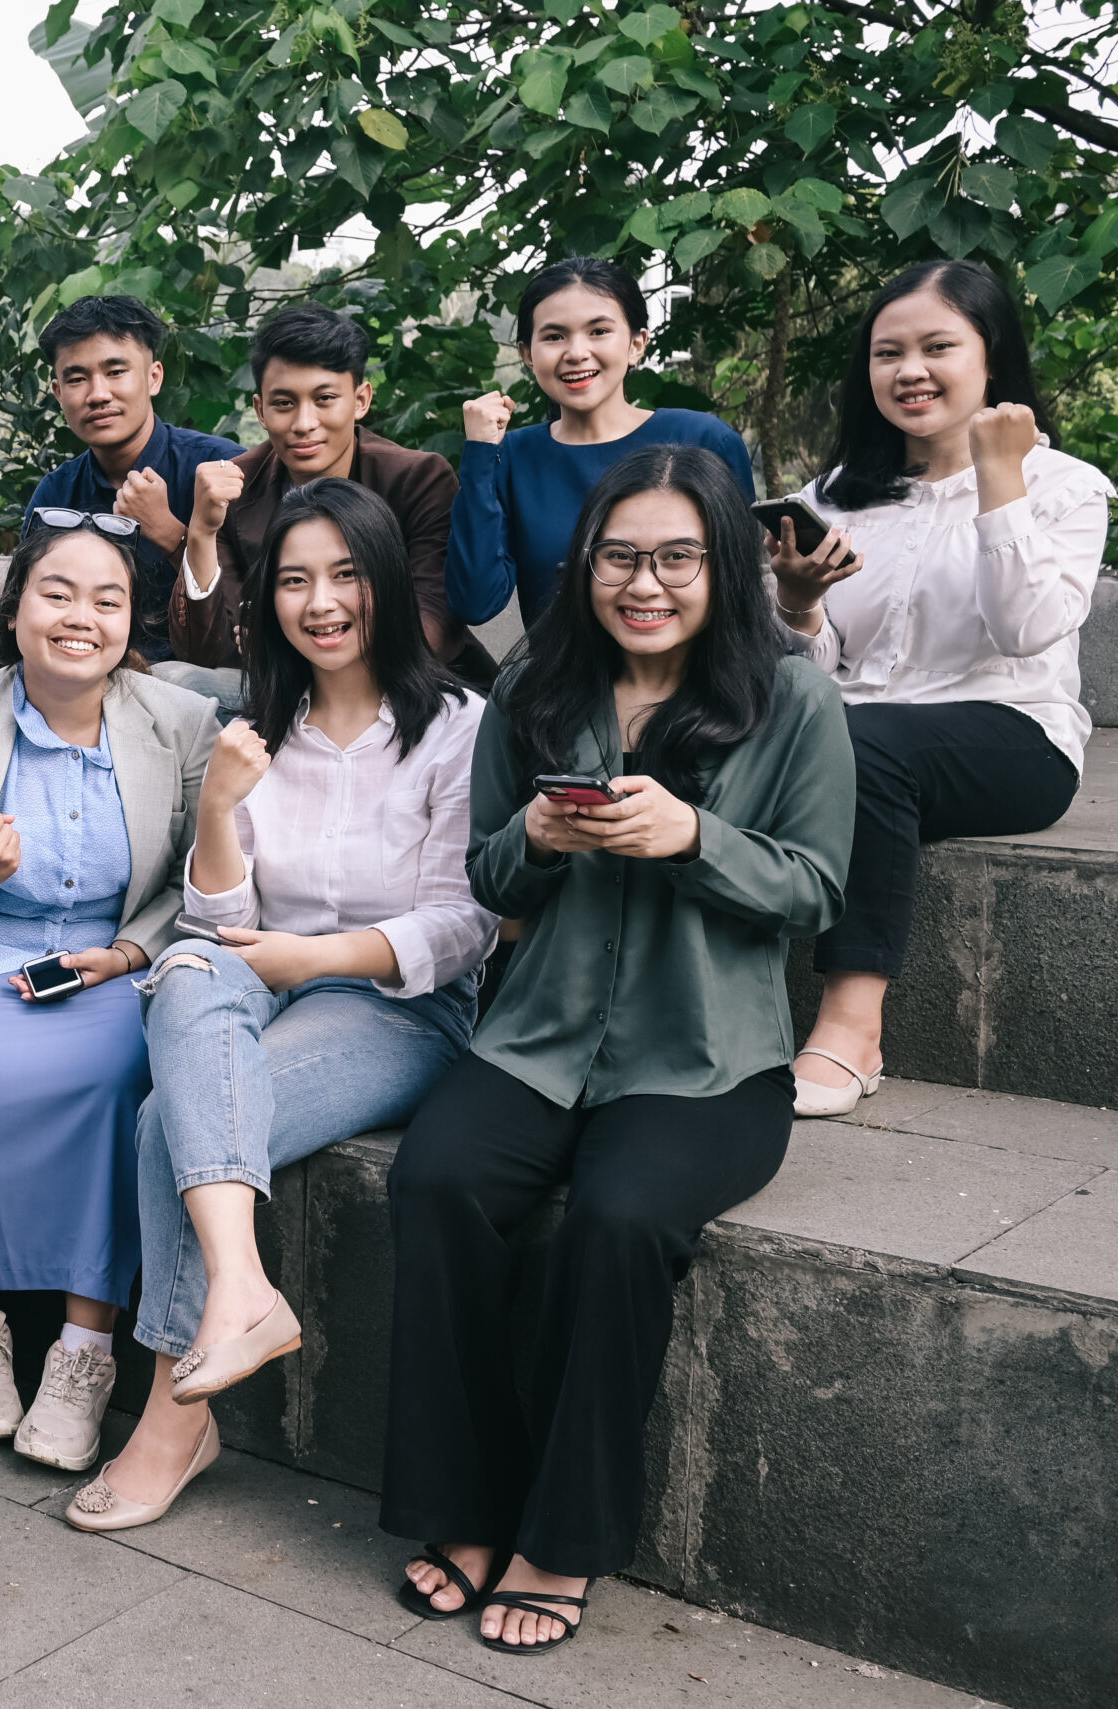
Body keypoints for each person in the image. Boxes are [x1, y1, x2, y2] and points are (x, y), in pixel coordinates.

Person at [385, 444, 853, 1655]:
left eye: (677, 558)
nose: (645, 583)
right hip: (537, 1038)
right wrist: (539, 838)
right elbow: (489, 876)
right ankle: (464, 1505)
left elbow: (814, 890)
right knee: (435, 1181)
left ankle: (562, 1536)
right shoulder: (535, 684)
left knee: (620, 1218)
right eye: (619, 557)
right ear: (583, 565)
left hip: (706, 1059)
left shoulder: (790, 697)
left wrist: (696, 835)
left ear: (724, 566)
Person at [67, 479, 494, 1533]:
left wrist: (314, 956)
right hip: (256, 971)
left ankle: (173, 1419)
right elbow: (219, 919)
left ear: (384, 580)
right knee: (189, 968)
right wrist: (218, 803)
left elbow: (461, 924)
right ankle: (242, 1288)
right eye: (296, 580)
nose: (322, 602)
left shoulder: (457, 727)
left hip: (399, 1001)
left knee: (167, 1120)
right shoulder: (256, 726)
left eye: (346, 575)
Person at [0, 518, 214, 1471]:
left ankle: (85, 1349)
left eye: (107, 600)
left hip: (116, 959)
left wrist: (126, 953)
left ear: (131, 621)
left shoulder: (181, 722)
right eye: (58, 593)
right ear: (14, 609)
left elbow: (199, 875)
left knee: (118, 1077)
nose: (82, 616)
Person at [771, 260, 1111, 1118]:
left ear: (990, 357)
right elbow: (818, 673)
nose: (909, 370)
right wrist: (800, 603)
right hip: (853, 737)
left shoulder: (1066, 487)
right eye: (888, 353)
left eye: (937, 347)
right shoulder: (834, 497)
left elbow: (1027, 629)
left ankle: (852, 1027)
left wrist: (1001, 478)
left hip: (1014, 738)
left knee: (865, 743)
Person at [173, 304, 487, 706]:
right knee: (177, 682)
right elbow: (206, 652)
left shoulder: (417, 479)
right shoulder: (235, 487)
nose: (304, 423)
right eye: (284, 403)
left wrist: (287, 649)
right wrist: (200, 532)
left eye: (324, 399)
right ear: (260, 410)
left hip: (414, 689)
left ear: (360, 400)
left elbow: (433, 626)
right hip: (285, 696)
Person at [446, 258, 755, 632]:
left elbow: (741, 592)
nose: (576, 352)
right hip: (560, 670)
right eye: (554, 336)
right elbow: (475, 602)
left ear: (636, 344)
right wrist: (480, 454)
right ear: (527, 354)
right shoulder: (509, 457)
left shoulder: (706, 441)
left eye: (599, 331)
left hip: (691, 667)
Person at [23, 295, 245, 663]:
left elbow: (250, 612)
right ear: (58, 393)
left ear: (153, 377)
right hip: (85, 671)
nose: (98, 395)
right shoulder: (56, 494)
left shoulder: (221, 468)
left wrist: (170, 533)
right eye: (77, 379)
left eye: (115, 372)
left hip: (200, 678)